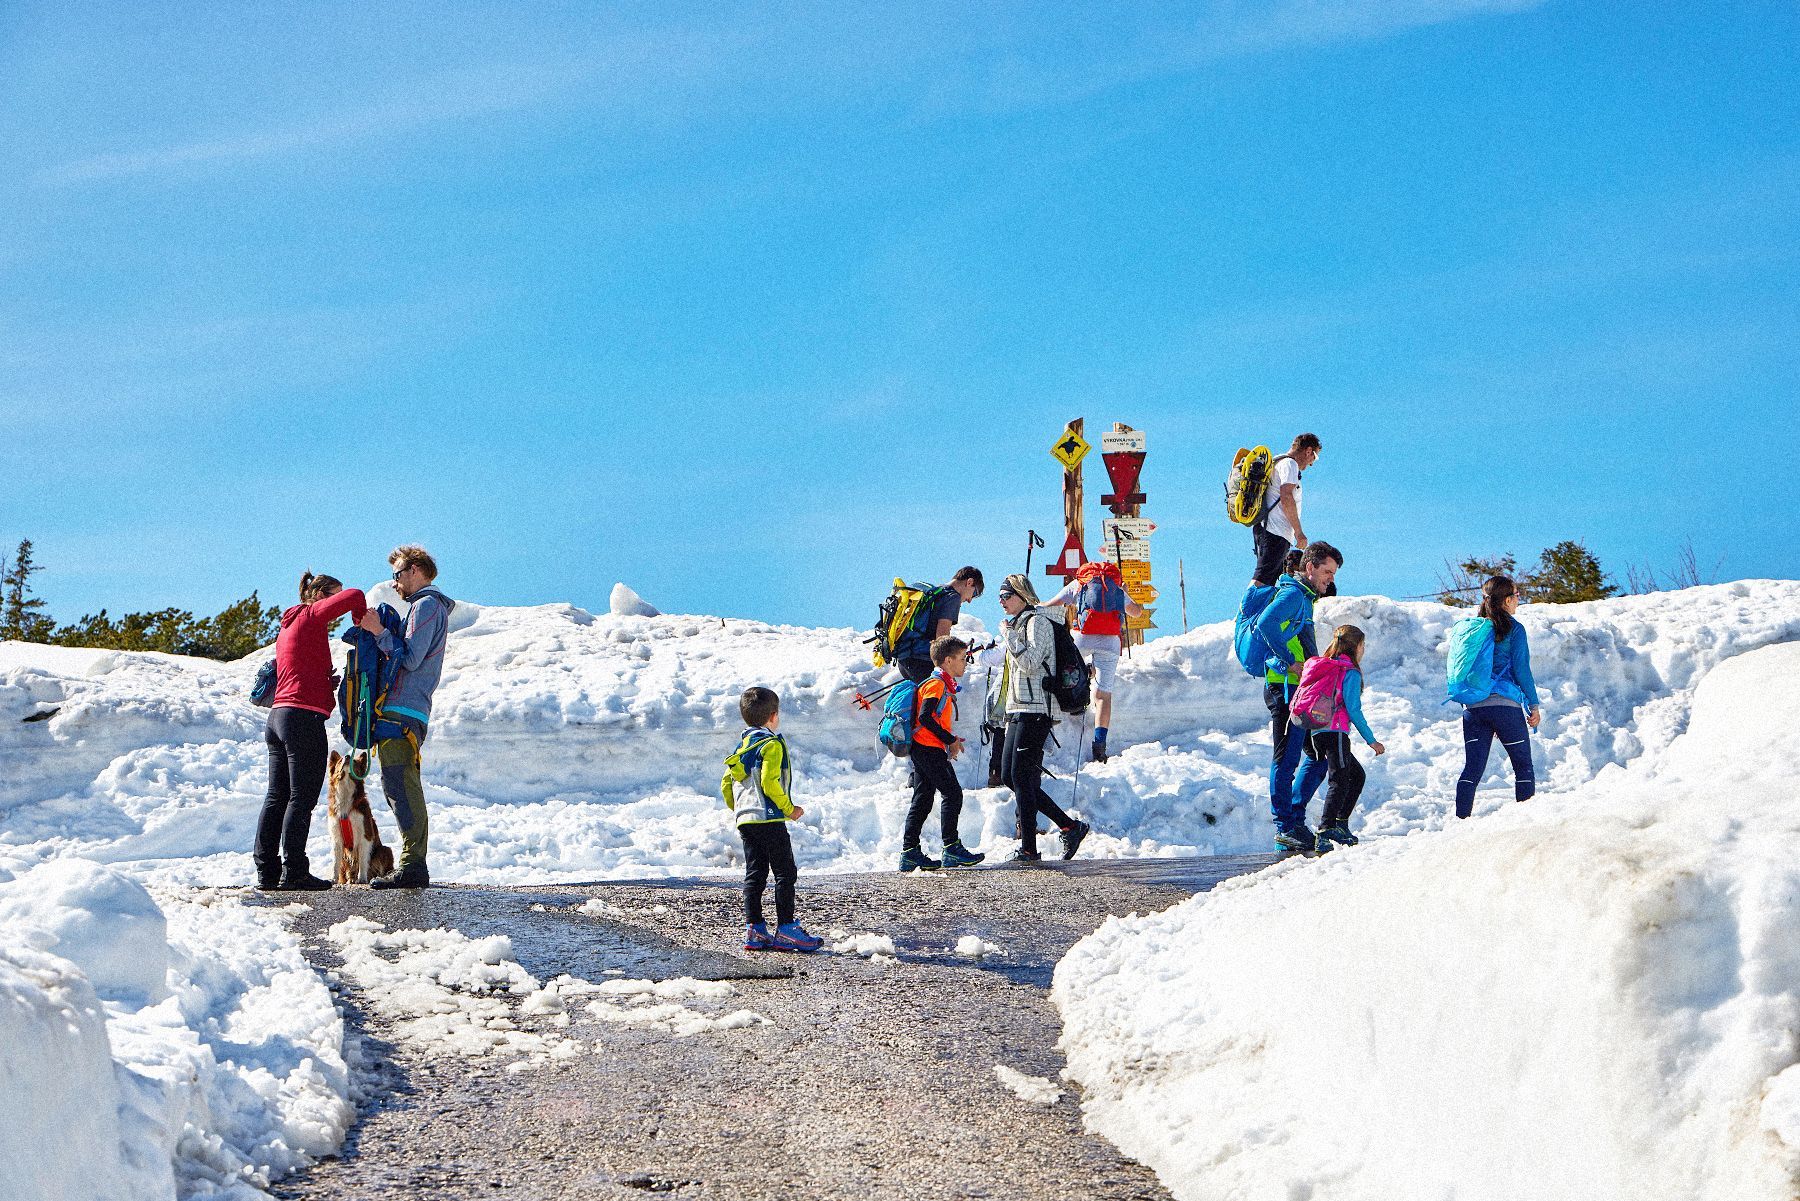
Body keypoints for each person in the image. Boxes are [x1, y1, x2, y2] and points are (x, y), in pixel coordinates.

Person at [254, 572, 367, 891]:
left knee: (277, 796)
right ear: (319, 595)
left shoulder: (289, 625)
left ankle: (267, 871)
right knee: (301, 799)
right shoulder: (311, 614)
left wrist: (321, 683)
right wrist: (360, 623)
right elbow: (356, 595)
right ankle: (295, 871)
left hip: (278, 717)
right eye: (332, 596)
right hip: (302, 720)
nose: (334, 606)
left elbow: (297, 672)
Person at [355, 544, 455, 890]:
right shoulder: (426, 607)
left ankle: (413, 865)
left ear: (415, 570)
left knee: (401, 784)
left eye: (398, 575)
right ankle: (413, 863)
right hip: (405, 709)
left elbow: (410, 659)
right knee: (396, 784)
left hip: (403, 709)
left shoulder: (426, 605)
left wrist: (377, 632)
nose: (395, 583)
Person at [1248, 541, 1342, 853]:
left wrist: (1318, 676)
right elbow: (1266, 623)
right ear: (1310, 567)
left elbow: (1308, 641)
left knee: (1317, 753)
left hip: (1300, 690)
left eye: (1333, 573)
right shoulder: (1291, 594)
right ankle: (1284, 826)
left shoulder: (1305, 598)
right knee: (1286, 758)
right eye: (1327, 571)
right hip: (1284, 687)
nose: (1330, 578)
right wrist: (1289, 660)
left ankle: (1295, 817)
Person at [997, 574, 1091, 863]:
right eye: (999, 597)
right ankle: (1069, 826)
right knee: (1010, 777)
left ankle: (1029, 848)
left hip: (1037, 709)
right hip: (1019, 708)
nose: (1001, 601)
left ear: (1023, 596)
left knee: (1022, 778)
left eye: (1006, 595)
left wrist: (1009, 636)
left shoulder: (1036, 622)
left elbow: (1031, 662)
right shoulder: (1018, 625)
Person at [722, 686, 822, 952]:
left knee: (755, 874)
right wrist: (788, 808)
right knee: (785, 872)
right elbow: (769, 781)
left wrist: (741, 809)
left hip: (746, 819)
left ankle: (755, 929)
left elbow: (726, 784)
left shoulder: (741, 747)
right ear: (773, 716)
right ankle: (787, 928)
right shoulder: (771, 744)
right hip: (768, 818)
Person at [1453, 576, 1542, 819]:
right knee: (1523, 767)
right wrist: (1533, 704)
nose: (1518, 599)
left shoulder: (1473, 630)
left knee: (1472, 769)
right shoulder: (1514, 629)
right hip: (1505, 707)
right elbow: (1522, 669)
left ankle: (1461, 823)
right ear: (1506, 600)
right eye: (1516, 594)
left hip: (1474, 708)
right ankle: (1526, 824)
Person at [1294, 624, 1386, 853]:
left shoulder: (1324, 667)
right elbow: (1354, 709)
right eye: (1363, 645)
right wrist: (1371, 740)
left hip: (1315, 731)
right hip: (1335, 732)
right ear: (1355, 646)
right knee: (1340, 779)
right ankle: (1326, 830)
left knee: (1356, 775)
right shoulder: (1349, 672)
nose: (1364, 650)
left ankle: (1340, 824)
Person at [899, 636, 985, 871]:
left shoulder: (939, 683)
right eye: (961, 659)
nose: (965, 663)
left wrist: (949, 739)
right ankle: (951, 848)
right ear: (947, 661)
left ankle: (910, 852)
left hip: (924, 747)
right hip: (928, 747)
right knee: (953, 794)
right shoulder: (936, 684)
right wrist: (950, 740)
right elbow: (926, 717)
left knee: (923, 799)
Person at [1045, 560, 1144, 763]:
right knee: (1103, 695)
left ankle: (1073, 704)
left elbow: (1049, 605)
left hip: (1083, 637)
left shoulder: (1078, 585)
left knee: (1066, 670)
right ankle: (1099, 746)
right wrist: (1124, 593)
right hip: (1110, 642)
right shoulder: (1115, 588)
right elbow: (1136, 612)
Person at [1251, 433, 1322, 587]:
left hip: (1267, 528)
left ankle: (1254, 609)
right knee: (1262, 578)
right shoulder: (1290, 464)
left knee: (1268, 580)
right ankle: (1245, 610)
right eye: (1315, 457)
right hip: (1275, 531)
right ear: (1308, 451)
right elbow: (1286, 496)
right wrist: (1299, 532)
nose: (1312, 463)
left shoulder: (1278, 461)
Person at [896, 567, 984, 683]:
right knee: (939, 699)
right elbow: (942, 636)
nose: (969, 600)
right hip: (923, 660)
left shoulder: (937, 592)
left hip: (904, 659)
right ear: (969, 582)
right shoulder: (952, 597)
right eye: (974, 593)